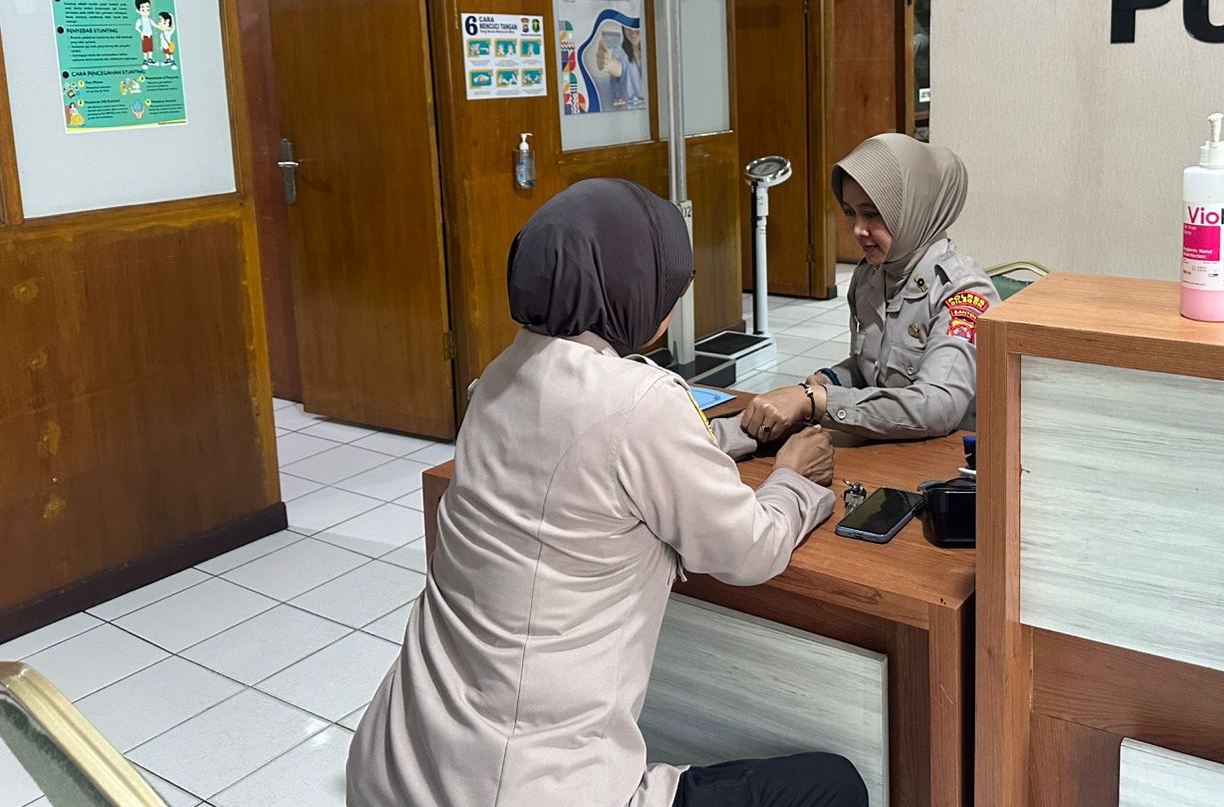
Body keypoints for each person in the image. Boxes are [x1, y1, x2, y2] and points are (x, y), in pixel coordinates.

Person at [347, 179, 867, 807]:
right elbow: (750, 550)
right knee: (834, 786)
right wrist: (793, 477)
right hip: (523, 789)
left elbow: (587, 454)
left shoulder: (497, 380)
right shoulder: (641, 402)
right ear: (633, 290)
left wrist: (733, 436)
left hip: (397, 767)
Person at [736, 134, 998, 448]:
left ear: (915, 209)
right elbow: (873, 370)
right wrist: (830, 380)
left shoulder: (961, 293)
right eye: (850, 212)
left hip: (947, 456)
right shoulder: (870, 276)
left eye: (872, 214)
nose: (858, 229)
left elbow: (938, 406)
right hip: (885, 443)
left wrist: (817, 401)